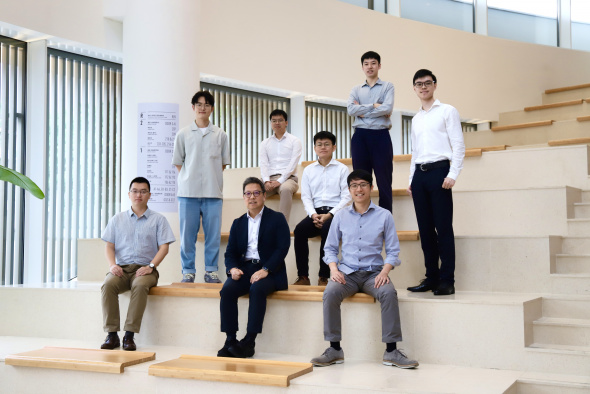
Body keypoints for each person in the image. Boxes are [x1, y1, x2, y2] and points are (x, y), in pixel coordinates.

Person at [310, 170, 418, 369]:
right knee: (330, 292)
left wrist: (385, 272)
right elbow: (330, 248)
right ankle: (334, 349)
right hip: (346, 273)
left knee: (388, 292)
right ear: (349, 190)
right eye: (354, 186)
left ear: (371, 187)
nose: (359, 189)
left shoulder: (384, 216)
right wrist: (334, 270)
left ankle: (391, 351)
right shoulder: (340, 216)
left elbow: (393, 251)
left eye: (363, 185)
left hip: (374, 273)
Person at [406, 69, 465, 296]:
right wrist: (411, 179)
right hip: (420, 176)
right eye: (419, 84)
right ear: (414, 88)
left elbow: (458, 145)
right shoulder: (416, 118)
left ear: (435, 85)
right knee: (425, 230)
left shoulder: (447, 111)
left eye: (427, 83)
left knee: (443, 229)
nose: (423, 87)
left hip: (440, 172)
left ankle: (446, 280)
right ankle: (431, 278)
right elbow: (414, 151)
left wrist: (453, 174)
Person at [217, 177, 291, 358]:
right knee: (227, 290)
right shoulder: (238, 222)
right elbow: (230, 253)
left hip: (270, 270)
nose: (252, 197)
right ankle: (230, 339)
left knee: (257, 289)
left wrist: (265, 270)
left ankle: (249, 341)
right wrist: (232, 269)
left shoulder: (277, 218)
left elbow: (283, 248)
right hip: (244, 269)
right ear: (243, 197)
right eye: (248, 194)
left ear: (264, 196)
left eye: (256, 193)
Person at [100, 177, 176, 351]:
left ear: (149, 195)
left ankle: (129, 335)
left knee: (140, 285)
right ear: (129, 194)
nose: (138, 195)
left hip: (146, 270)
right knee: (108, 284)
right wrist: (112, 265)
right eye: (135, 191)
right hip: (121, 269)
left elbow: (164, 248)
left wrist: (151, 266)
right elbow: (109, 246)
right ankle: (112, 335)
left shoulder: (159, 220)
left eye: (143, 191)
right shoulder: (117, 219)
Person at [172, 90, 230, 283]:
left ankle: (211, 271)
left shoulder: (220, 134)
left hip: (213, 193)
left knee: (212, 236)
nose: (202, 108)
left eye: (206, 104)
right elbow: (179, 162)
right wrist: (191, 177)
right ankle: (188, 271)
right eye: (199, 104)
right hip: (188, 193)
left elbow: (222, 163)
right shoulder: (183, 134)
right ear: (193, 107)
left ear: (212, 108)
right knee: (187, 236)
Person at [293, 131, 351, 286]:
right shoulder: (309, 170)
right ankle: (303, 277)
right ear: (314, 148)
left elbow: (346, 197)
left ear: (334, 147)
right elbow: (306, 196)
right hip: (315, 212)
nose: (323, 147)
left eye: (327, 144)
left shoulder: (342, 169)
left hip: (335, 213)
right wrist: (313, 215)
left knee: (327, 230)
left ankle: (324, 276)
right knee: (299, 230)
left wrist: (330, 214)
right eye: (319, 144)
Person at [347, 51, 394, 212]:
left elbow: (387, 108)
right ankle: (362, 215)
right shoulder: (356, 89)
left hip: (380, 136)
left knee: (384, 180)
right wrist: (374, 106)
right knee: (360, 180)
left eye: (373, 63)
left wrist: (362, 110)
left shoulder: (388, 86)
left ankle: (386, 220)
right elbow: (350, 109)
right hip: (360, 136)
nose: (370, 66)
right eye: (366, 64)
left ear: (379, 66)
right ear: (362, 67)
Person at [259, 109, 302, 221]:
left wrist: (280, 180)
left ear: (286, 122)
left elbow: (293, 164)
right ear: (271, 123)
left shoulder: (295, 141)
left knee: (286, 189)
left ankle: (282, 225)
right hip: (270, 178)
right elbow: (263, 164)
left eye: (280, 120)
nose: (277, 123)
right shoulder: (265, 143)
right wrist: (266, 181)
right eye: (274, 121)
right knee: (254, 189)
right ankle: (257, 223)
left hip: (289, 178)